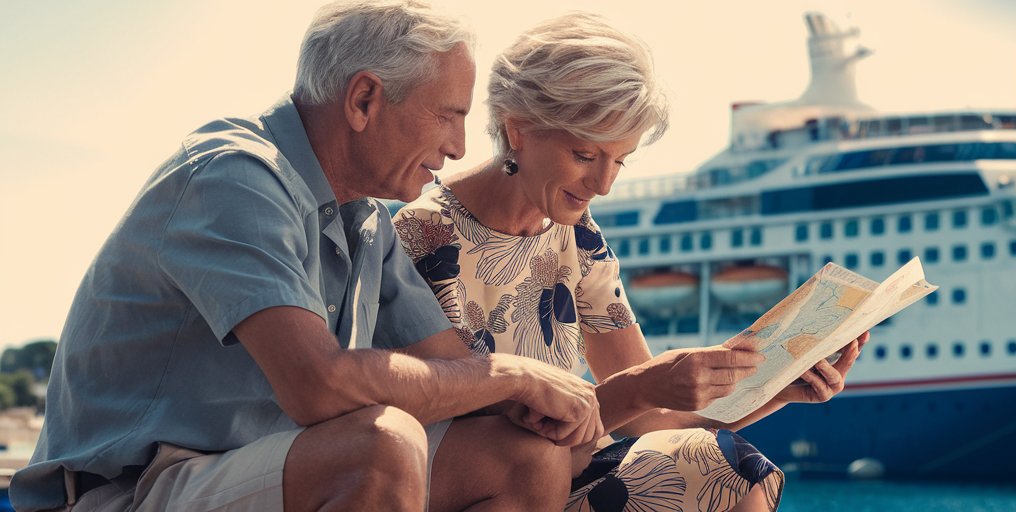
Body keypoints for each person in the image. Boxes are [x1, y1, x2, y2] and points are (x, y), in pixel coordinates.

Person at [11, 1, 605, 511]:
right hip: (123, 490)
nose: (459, 147)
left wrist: (536, 405)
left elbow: (452, 366)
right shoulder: (233, 177)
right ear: (364, 100)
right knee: (381, 447)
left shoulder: (363, 218)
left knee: (525, 460)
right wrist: (513, 375)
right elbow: (319, 387)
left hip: (245, 474)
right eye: (448, 115)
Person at [393, 13, 869, 512]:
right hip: (479, 480)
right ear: (518, 130)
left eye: (619, 161)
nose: (603, 184)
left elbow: (650, 418)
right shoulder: (425, 235)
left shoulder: (579, 235)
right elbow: (519, 428)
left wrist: (776, 389)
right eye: (585, 154)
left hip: (569, 462)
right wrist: (644, 386)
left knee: (735, 470)